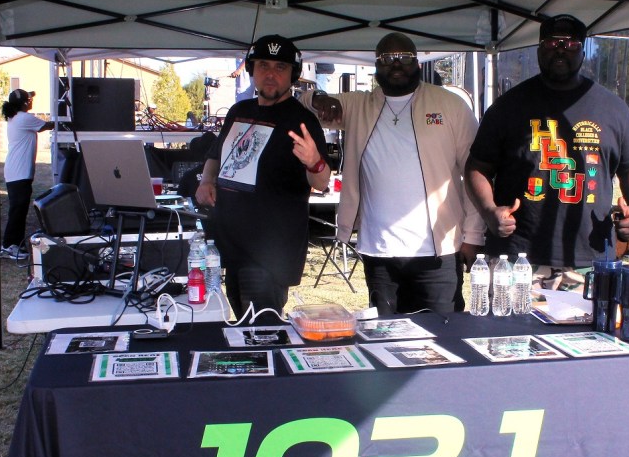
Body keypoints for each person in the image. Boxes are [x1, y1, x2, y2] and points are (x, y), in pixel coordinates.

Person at [303, 32, 483, 315]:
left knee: (443, 336)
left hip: (438, 251)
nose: (396, 63)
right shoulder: (357, 105)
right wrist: (318, 97)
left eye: (404, 57)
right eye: (387, 58)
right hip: (379, 252)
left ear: (418, 63)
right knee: (385, 335)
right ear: (376, 65)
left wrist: (473, 234)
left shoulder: (450, 105)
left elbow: (476, 171)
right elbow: (300, 104)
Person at [465, 14, 629, 290]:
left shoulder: (613, 109)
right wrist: (489, 211)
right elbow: (476, 167)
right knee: (509, 322)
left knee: (589, 322)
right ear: (539, 49)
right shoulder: (507, 107)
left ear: (583, 52)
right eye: (552, 43)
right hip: (517, 259)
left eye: (571, 44)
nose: (561, 50)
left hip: (590, 259)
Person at [195, 34, 330, 319]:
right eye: (263, 65)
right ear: (251, 70)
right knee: (239, 324)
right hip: (230, 245)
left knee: (262, 329)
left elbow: (321, 182)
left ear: (292, 74)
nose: (271, 74)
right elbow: (215, 155)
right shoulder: (238, 111)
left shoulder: (302, 120)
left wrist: (314, 162)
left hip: (270, 253)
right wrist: (207, 180)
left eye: (280, 67)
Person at [0, 89, 55, 257]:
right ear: (24, 103)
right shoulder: (24, 118)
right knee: (18, 210)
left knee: (19, 209)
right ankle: (10, 244)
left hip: (17, 171)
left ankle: (15, 243)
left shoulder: (16, 117)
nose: (31, 101)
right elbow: (48, 125)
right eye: (29, 99)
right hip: (19, 172)